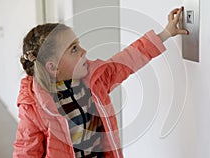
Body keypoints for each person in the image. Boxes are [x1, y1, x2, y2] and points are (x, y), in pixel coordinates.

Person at [13, 6, 188, 158]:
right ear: (54, 67)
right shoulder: (33, 106)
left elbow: (128, 59)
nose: (84, 51)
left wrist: (165, 34)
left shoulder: (95, 79)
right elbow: (26, 151)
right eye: (74, 49)